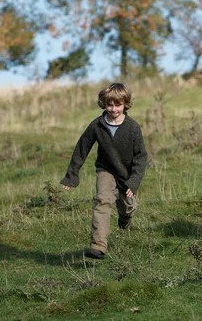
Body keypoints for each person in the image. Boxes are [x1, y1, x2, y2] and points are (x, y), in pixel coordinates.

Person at [61, 82, 147, 259]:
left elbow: (141, 158)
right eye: (109, 104)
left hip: (127, 174)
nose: (113, 109)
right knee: (102, 201)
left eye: (118, 105)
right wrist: (71, 176)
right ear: (103, 104)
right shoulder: (97, 125)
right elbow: (81, 149)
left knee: (129, 207)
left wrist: (134, 181)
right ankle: (98, 246)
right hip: (105, 170)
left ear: (125, 104)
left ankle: (125, 219)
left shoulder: (133, 128)